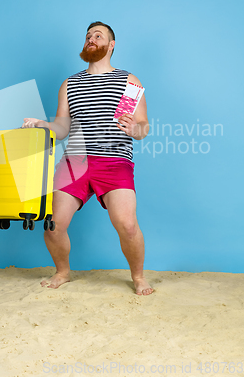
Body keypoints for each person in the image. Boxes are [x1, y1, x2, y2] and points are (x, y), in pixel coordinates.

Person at [22, 22, 154, 295]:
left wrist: (135, 129)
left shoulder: (128, 81)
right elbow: (62, 129)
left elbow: (142, 125)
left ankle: (139, 277)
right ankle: (63, 272)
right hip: (75, 163)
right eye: (87, 36)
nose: (91, 39)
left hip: (115, 162)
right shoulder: (70, 83)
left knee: (128, 226)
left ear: (112, 44)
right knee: (53, 225)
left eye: (98, 35)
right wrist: (41, 124)